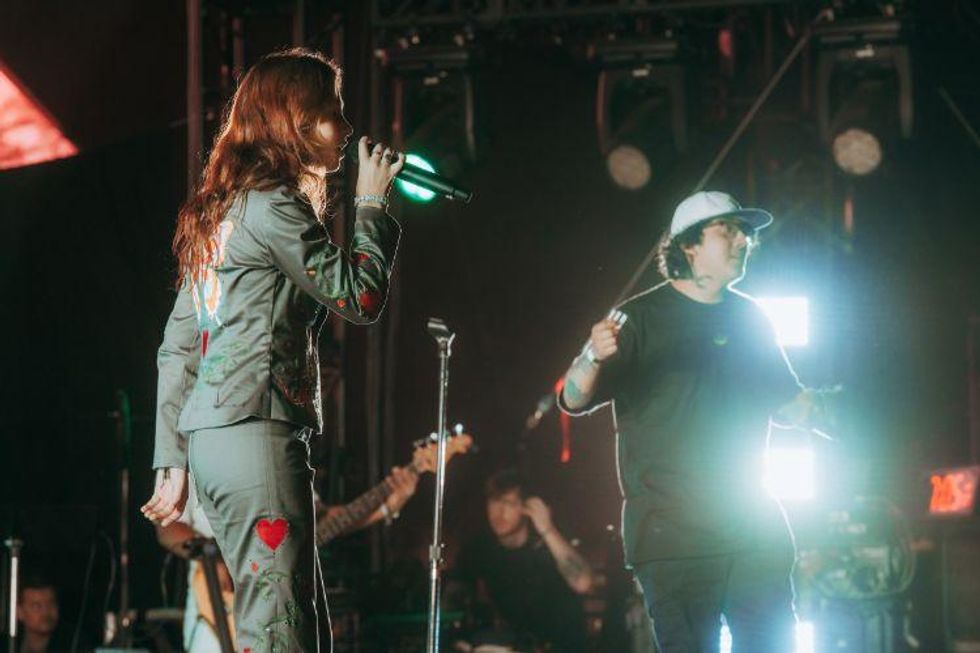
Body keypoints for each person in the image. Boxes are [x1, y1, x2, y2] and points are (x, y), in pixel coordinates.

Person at [140, 47, 405, 652]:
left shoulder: (223, 214)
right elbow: (358, 297)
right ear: (297, 120)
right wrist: (369, 206)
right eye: (332, 110)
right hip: (255, 427)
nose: (345, 126)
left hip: (216, 438)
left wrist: (173, 456)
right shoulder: (272, 205)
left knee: (294, 617)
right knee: (279, 621)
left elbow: (178, 346)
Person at [559, 191, 818, 652]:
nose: (742, 241)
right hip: (672, 535)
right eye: (728, 231)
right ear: (689, 246)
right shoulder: (638, 317)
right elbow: (573, 398)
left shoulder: (751, 317)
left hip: (753, 530)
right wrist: (591, 356)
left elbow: (790, 405)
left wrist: (838, 412)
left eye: (745, 233)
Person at [156, 467, 419, 653]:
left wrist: (386, 506)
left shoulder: (281, 442)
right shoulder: (185, 443)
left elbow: (323, 521)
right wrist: (211, 557)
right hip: (219, 605)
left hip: (281, 606)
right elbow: (166, 526)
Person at [453, 468, 594, 652]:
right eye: (494, 501)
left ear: (527, 507)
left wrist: (547, 528)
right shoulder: (480, 548)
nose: (499, 512)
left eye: (509, 503)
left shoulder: (547, 543)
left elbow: (583, 583)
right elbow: (456, 596)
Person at [15, 576, 70, 653]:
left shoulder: (74, 644)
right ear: (19, 612)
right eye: (36, 606)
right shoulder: (8, 645)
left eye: (51, 604)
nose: (46, 611)